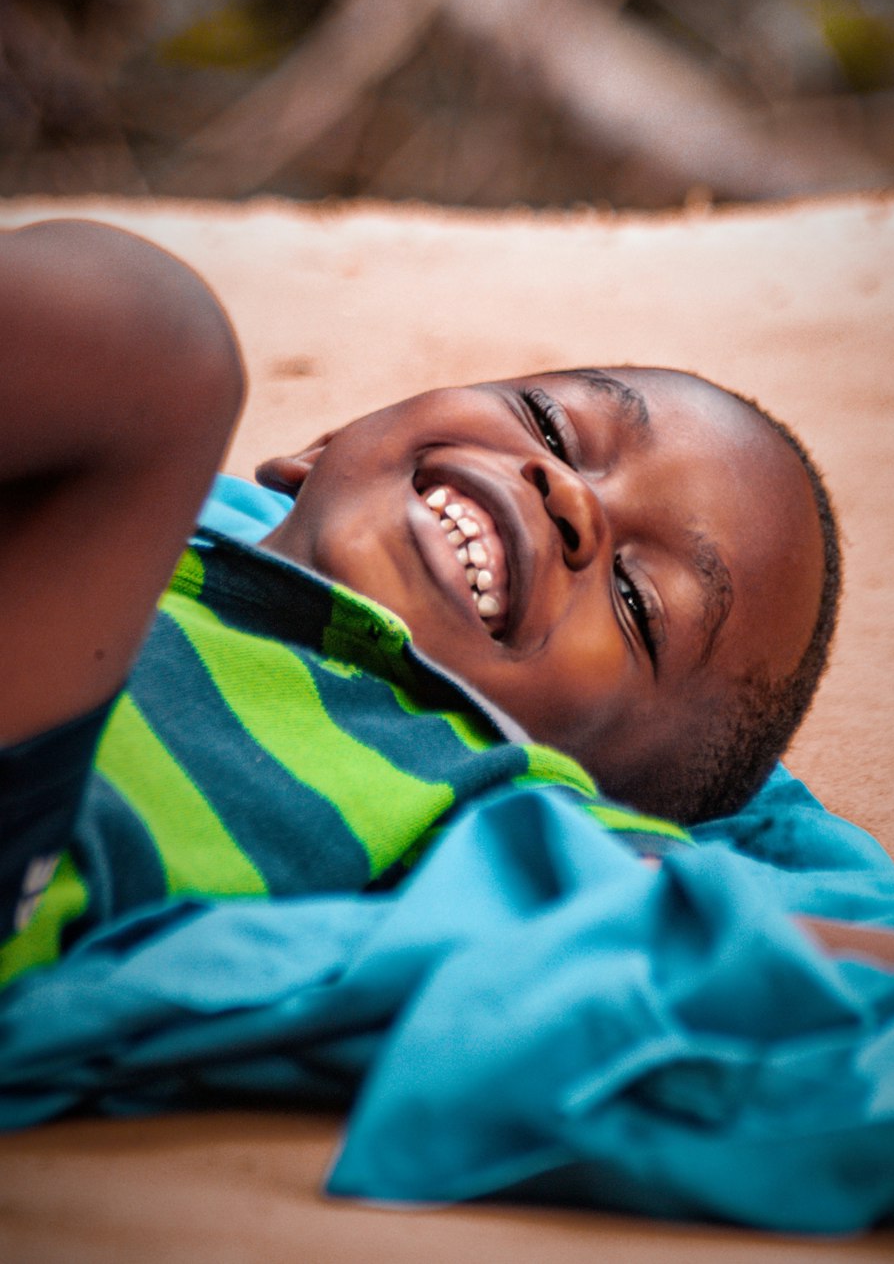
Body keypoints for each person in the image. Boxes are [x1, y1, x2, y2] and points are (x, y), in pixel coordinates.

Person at [0, 218, 840, 984]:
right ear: (325, 442)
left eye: (635, 601)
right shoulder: (125, 509)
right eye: (550, 426)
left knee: (152, 336)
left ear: (591, 789)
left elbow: (733, 925)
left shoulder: (491, 794)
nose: (570, 499)